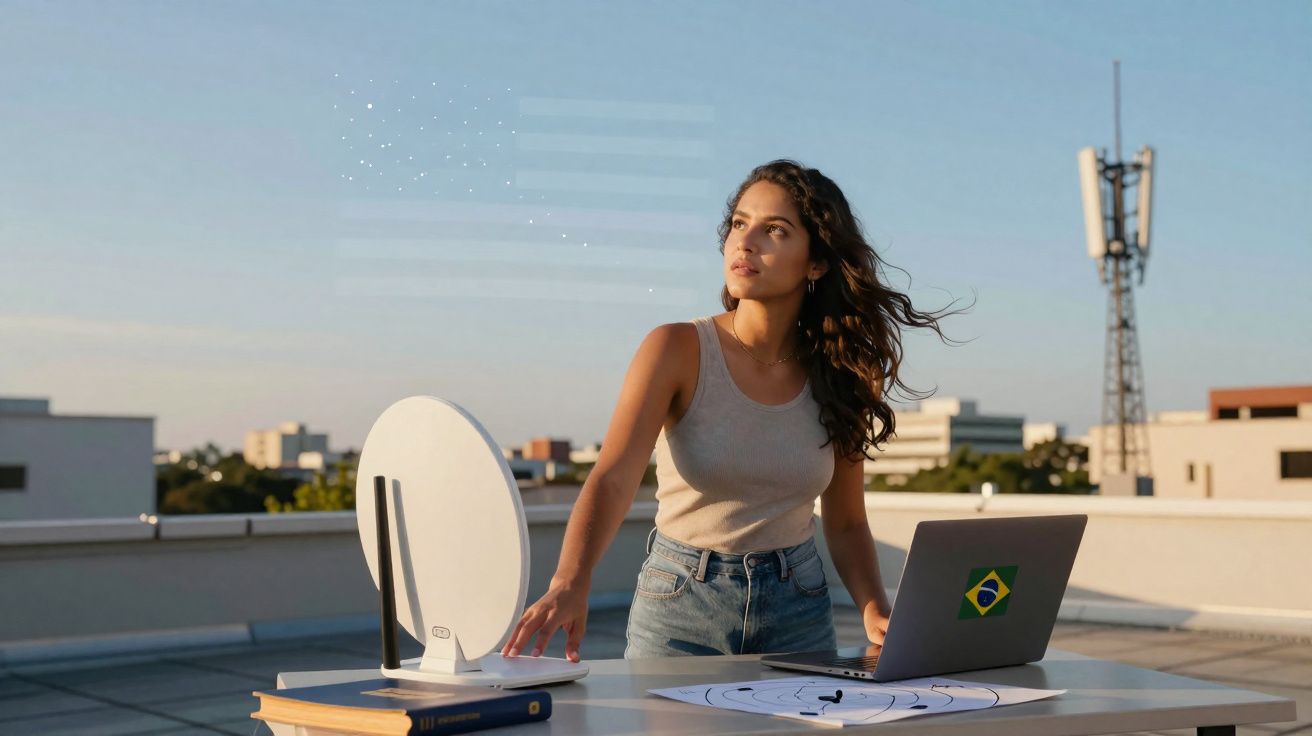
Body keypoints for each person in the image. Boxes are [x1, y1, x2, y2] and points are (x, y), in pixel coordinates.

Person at [500, 159, 956, 663]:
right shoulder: (675, 349)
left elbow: (846, 520)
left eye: (774, 230)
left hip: (799, 608)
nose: (746, 242)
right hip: (681, 604)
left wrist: (874, 608)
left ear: (817, 262)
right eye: (740, 223)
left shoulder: (843, 371)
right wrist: (570, 581)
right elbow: (612, 477)